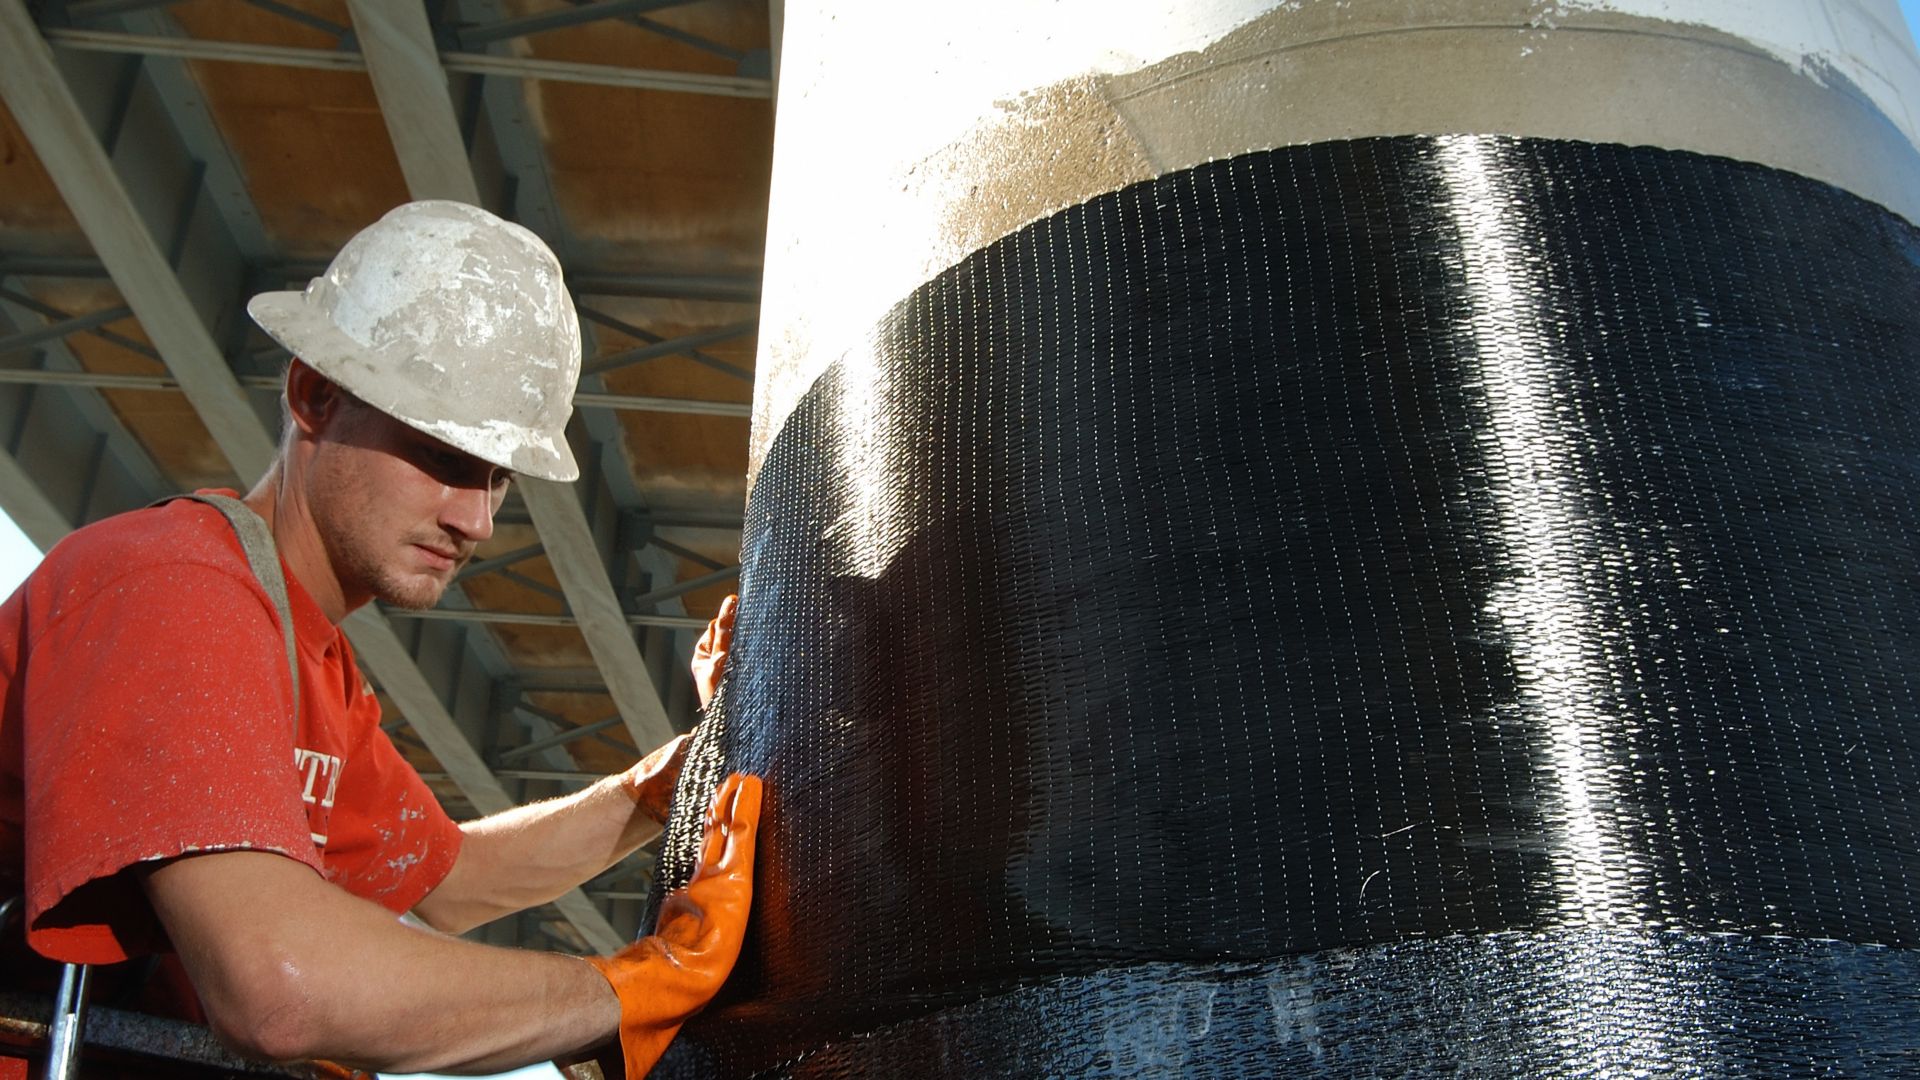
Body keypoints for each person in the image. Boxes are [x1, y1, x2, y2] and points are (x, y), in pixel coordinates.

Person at [0, 200, 757, 1079]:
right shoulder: (174, 592)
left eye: (496, 478)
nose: (473, 518)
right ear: (314, 395)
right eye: (441, 454)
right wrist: (634, 992)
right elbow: (280, 991)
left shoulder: (304, 654)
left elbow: (448, 882)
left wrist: (674, 780)